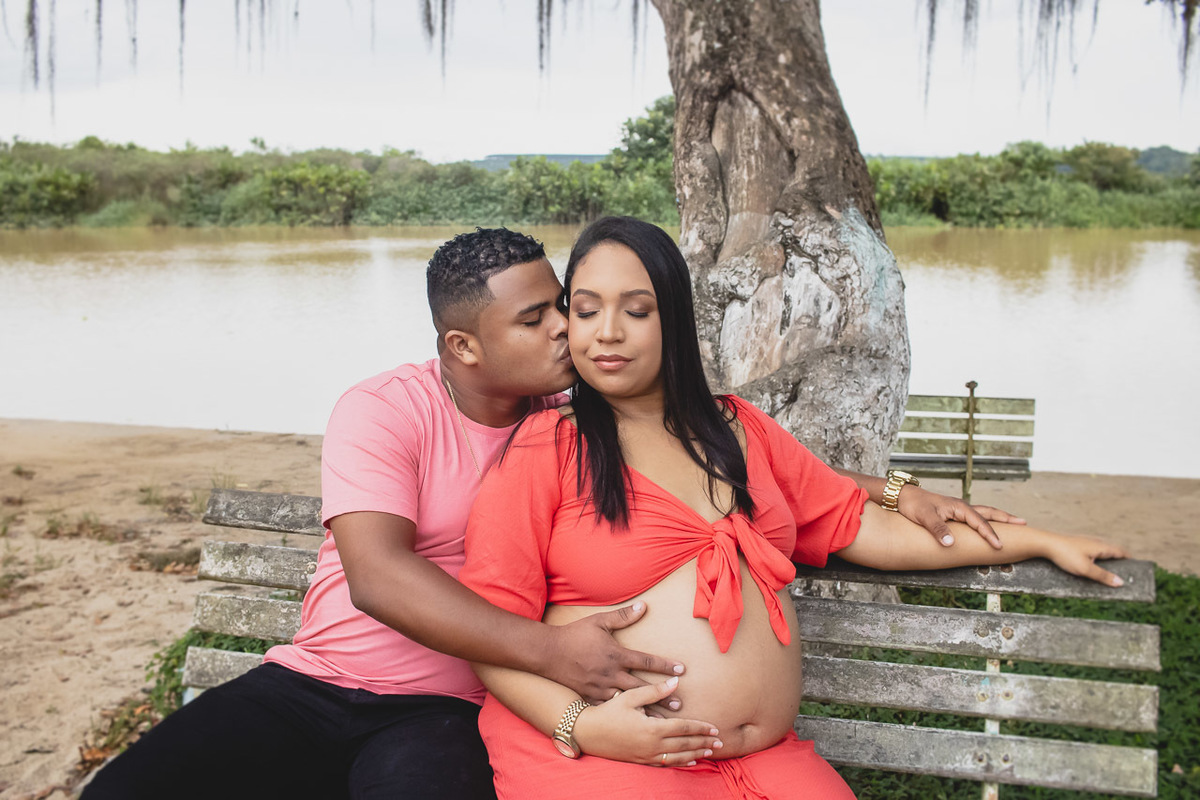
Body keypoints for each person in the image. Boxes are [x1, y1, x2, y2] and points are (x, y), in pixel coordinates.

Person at [82, 226, 1026, 800]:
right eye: (539, 319)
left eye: (562, 307)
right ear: (466, 347)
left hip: (447, 709)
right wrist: (552, 660)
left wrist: (891, 489)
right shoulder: (386, 409)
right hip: (320, 681)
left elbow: (726, 442)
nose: (570, 331)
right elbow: (377, 576)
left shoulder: (574, 415)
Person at [458, 217, 1130, 799]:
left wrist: (1041, 541)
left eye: (637, 311)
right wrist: (583, 725)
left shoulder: (737, 430)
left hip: (766, 762)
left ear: (674, 319)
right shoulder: (545, 451)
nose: (607, 333)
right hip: (611, 759)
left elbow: (861, 524)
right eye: (586, 310)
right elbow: (489, 638)